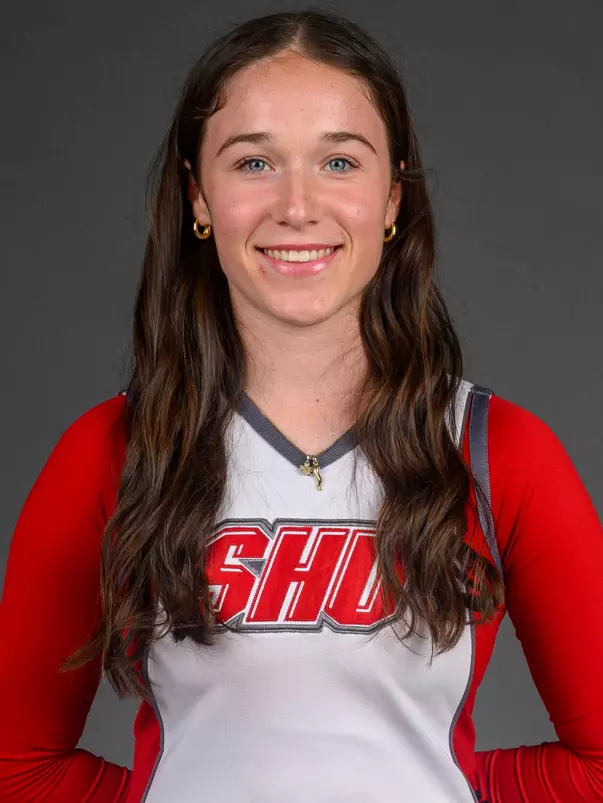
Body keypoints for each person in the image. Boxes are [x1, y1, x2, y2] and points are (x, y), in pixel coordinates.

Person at [1, 8, 602, 803]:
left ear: (392, 197)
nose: (296, 205)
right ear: (198, 197)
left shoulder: (498, 450)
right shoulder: (115, 449)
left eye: (339, 163)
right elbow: (18, 765)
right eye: (253, 163)